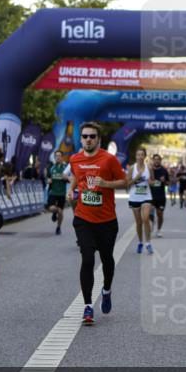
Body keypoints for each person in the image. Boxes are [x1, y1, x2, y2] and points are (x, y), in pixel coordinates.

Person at [65, 122, 127, 326]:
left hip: (107, 220)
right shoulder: (75, 158)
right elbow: (76, 175)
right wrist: (71, 189)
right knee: (88, 259)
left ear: (98, 139)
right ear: (80, 139)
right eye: (85, 136)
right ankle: (88, 306)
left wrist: (106, 184)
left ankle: (107, 290)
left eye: (92, 136)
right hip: (83, 218)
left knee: (107, 260)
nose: (88, 139)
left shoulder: (109, 160)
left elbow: (123, 181)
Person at [127, 148, 154, 254]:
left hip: (146, 196)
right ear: (136, 156)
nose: (140, 157)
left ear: (145, 156)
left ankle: (148, 243)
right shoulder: (132, 168)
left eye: (142, 154)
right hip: (134, 197)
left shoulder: (149, 168)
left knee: (146, 218)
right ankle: (140, 242)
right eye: (138, 155)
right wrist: (136, 177)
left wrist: (150, 182)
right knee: (138, 222)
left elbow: (153, 181)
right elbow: (127, 183)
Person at [46, 150, 69, 235]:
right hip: (53, 192)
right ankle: (55, 211)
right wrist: (48, 180)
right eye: (56, 156)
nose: (58, 157)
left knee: (61, 212)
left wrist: (66, 178)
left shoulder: (65, 167)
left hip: (61, 193)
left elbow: (70, 179)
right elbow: (47, 178)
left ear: (62, 157)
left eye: (59, 156)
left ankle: (58, 227)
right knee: (51, 208)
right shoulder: (51, 167)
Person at [149, 153, 170, 238]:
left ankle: (158, 230)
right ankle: (152, 222)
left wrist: (164, 181)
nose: (156, 161)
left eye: (158, 159)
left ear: (160, 161)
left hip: (161, 196)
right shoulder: (149, 170)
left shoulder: (164, 171)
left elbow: (168, 183)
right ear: (153, 160)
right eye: (155, 159)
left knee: (160, 214)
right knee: (149, 214)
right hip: (150, 196)